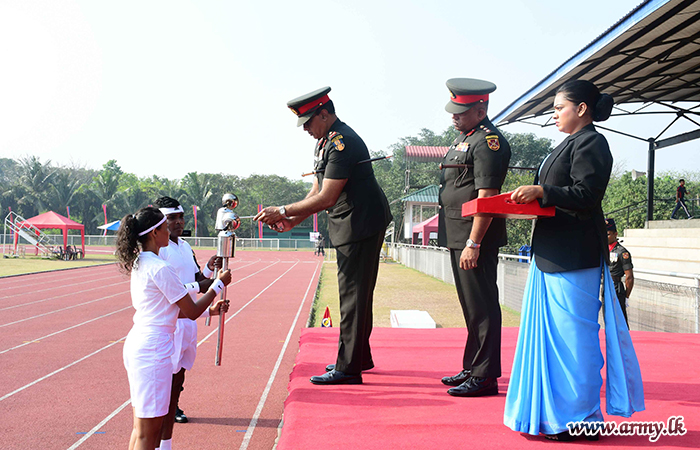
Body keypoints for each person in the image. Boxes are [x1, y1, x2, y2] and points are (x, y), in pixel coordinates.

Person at [504, 80, 644, 441]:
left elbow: (586, 194)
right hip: (550, 253)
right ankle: (551, 416)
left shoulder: (592, 142)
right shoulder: (565, 144)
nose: (553, 115)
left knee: (573, 342)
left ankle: (580, 419)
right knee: (553, 343)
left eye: (558, 108)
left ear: (581, 109)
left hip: (574, 256)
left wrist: (542, 191)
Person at [254, 86, 392, 385]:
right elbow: (317, 189)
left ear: (325, 114)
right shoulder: (324, 142)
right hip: (351, 223)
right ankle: (359, 357)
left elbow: (328, 197)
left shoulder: (343, 142)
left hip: (361, 224)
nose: (305, 129)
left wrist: (282, 210)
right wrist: (291, 220)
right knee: (356, 295)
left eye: (308, 122)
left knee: (353, 296)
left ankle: (348, 368)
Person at [116, 207, 231, 450]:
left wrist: (210, 310)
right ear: (155, 233)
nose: (169, 231)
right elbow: (191, 310)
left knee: (141, 429)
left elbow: (168, 310)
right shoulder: (160, 267)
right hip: (153, 349)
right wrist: (218, 285)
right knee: (149, 434)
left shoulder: (141, 262)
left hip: (142, 343)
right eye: (165, 227)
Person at [437, 78, 511, 397]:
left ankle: (485, 376)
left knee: (482, 305)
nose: (454, 117)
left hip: (474, 237)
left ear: (481, 111)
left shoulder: (488, 142)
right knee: (471, 305)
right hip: (458, 233)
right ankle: (472, 366)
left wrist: (474, 242)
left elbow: (488, 196)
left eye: (461, 112)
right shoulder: (465, 138)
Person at [153, 197, 227, 450]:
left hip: (189, 322)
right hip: (172, 323)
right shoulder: (159, 251)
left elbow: (195, 277)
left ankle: (172, 414)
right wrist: (212, 285)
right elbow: (171, 290)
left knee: (179, 379)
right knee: (167, 384)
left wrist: (208, 269)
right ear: (160, 222)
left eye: (181, 217)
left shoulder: (184, 246)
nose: (179, 222)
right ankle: (163, 430)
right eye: (172, 218)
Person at [606, 218, 634, 328]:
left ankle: (624, 338)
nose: (605, 237)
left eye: (608, 234)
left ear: (615, 234)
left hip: (616, 288)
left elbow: (629, 277)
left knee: (620, 319)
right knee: (608, 318)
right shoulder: (604, 250)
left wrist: (626, 296)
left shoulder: (622, 252)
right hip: (606, 286)